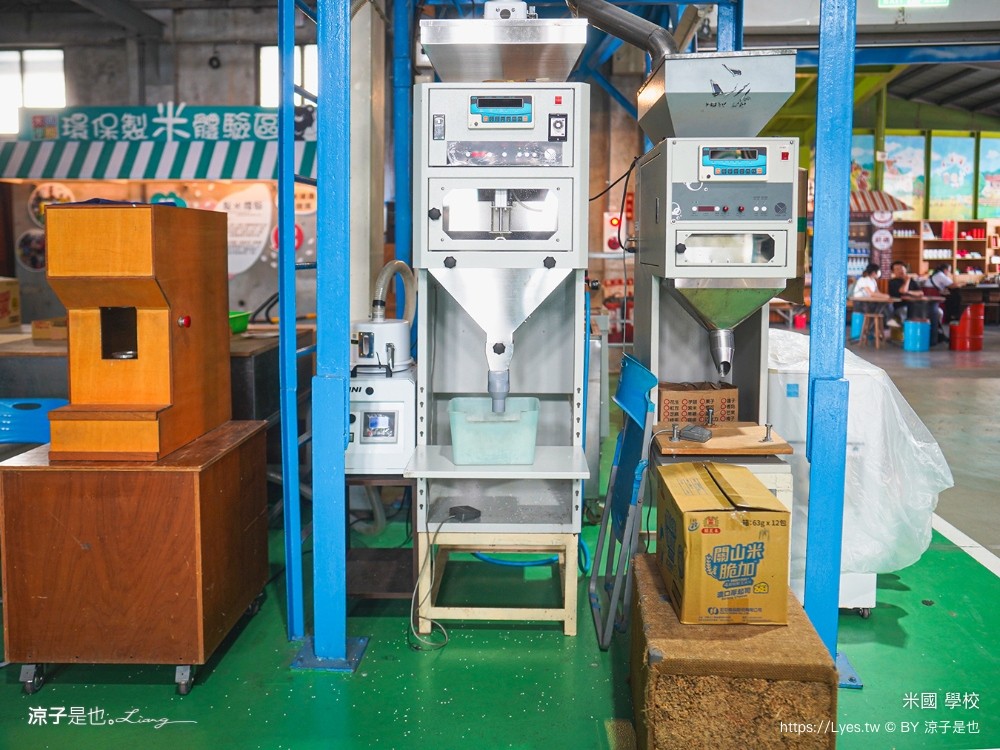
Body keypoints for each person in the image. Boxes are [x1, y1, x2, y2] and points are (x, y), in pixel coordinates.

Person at [889, 260, 944, 344]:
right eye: (897, 269)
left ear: (905, 269)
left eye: (901, 268)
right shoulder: (893, 282)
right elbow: (903, 291)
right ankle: (909, 337)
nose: (900, 270)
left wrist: (909, 292)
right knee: (905, 312)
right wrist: (907, 281)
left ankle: (935, 334)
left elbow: (921, 293)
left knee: (939, 312)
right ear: (893, 272)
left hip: (918, 306)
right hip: (901, 306)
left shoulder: (912, 281)